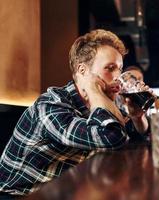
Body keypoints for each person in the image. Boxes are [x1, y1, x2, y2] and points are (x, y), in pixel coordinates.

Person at [0, 29, 150, 198]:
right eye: (110, 68)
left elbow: (138, 139)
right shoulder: (50, 105)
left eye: (120, 69)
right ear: (83, 70)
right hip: (19, 195)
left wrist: (138, 117)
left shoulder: (107, 101)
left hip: (60, 190)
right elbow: (110, 138)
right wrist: (93, 90)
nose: (118, 76)